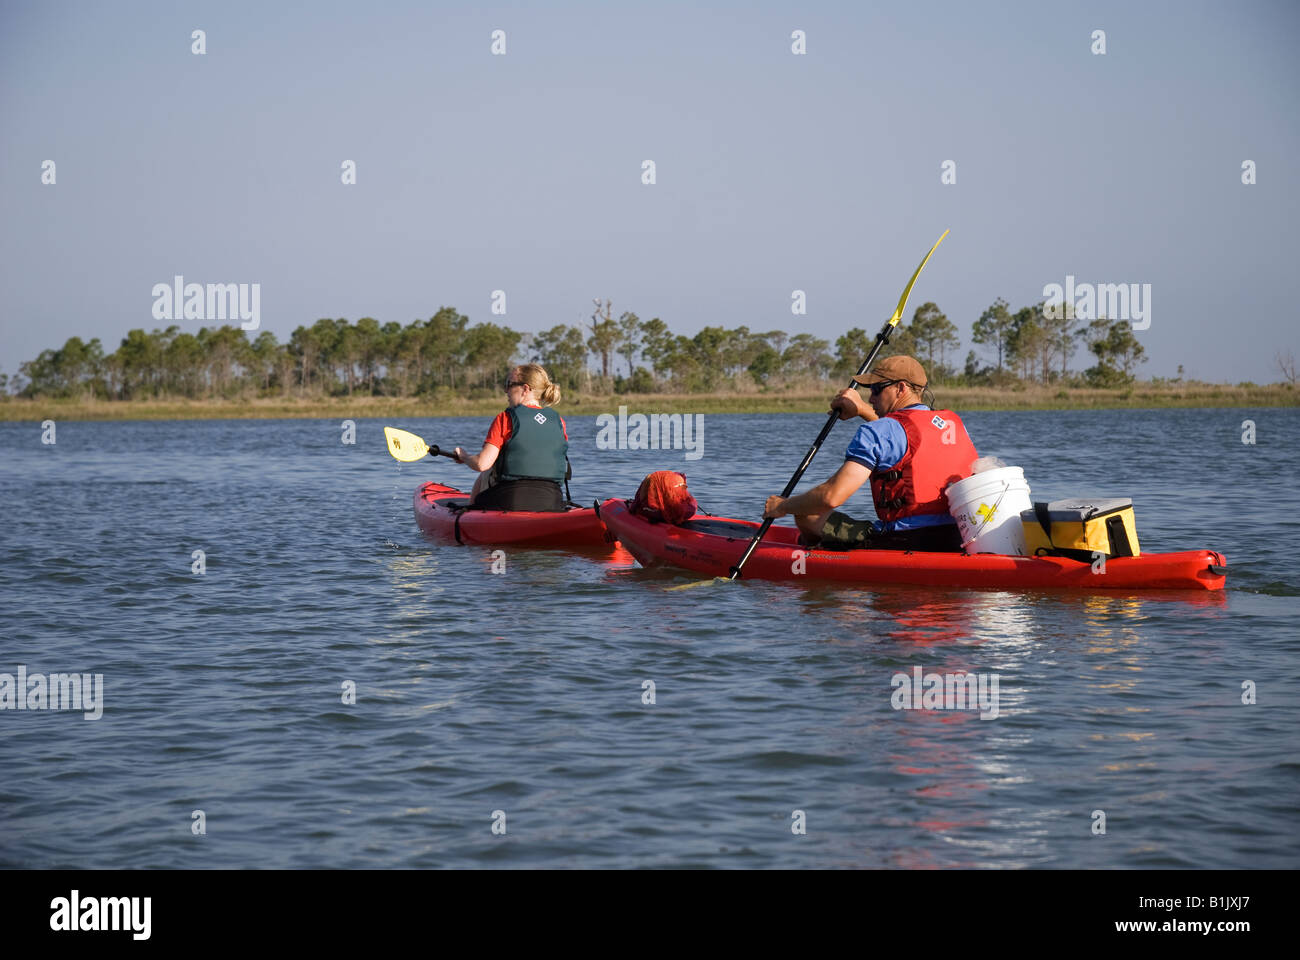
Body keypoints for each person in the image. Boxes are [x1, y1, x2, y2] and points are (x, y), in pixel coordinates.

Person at [762, 355, 978, 551]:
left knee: (808, 513)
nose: (871, 398)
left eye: (876, 389)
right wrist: (862, 410)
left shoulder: (876, 431)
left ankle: (819, 559)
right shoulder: (953, 424)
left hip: (904, 540)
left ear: (900, 388)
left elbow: (832, 496)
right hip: (959, 537)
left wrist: (783, 506)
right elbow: (907, 442)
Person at [452, 363, 570, 511]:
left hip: (510, 500)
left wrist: (464, 456)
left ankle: (469, 513)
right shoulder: (560, 422)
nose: (505, 391)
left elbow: (481, 464)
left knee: (486, 471)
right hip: (552, 501)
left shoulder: (506, 418)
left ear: (525, 389)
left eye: (509, 384)